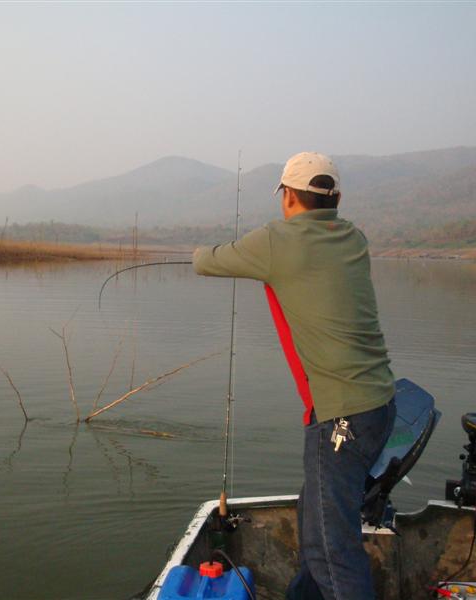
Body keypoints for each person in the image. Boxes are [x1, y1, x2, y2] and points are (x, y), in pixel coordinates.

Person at [192, 152, 395, 600]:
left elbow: (209, 262)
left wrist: (195, 253)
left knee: (332, 551)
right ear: (336, 199)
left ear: (286, 197)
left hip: (339, 419)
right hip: (381, 407)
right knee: (313, 517)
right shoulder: (354, 238)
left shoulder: (277, 240)